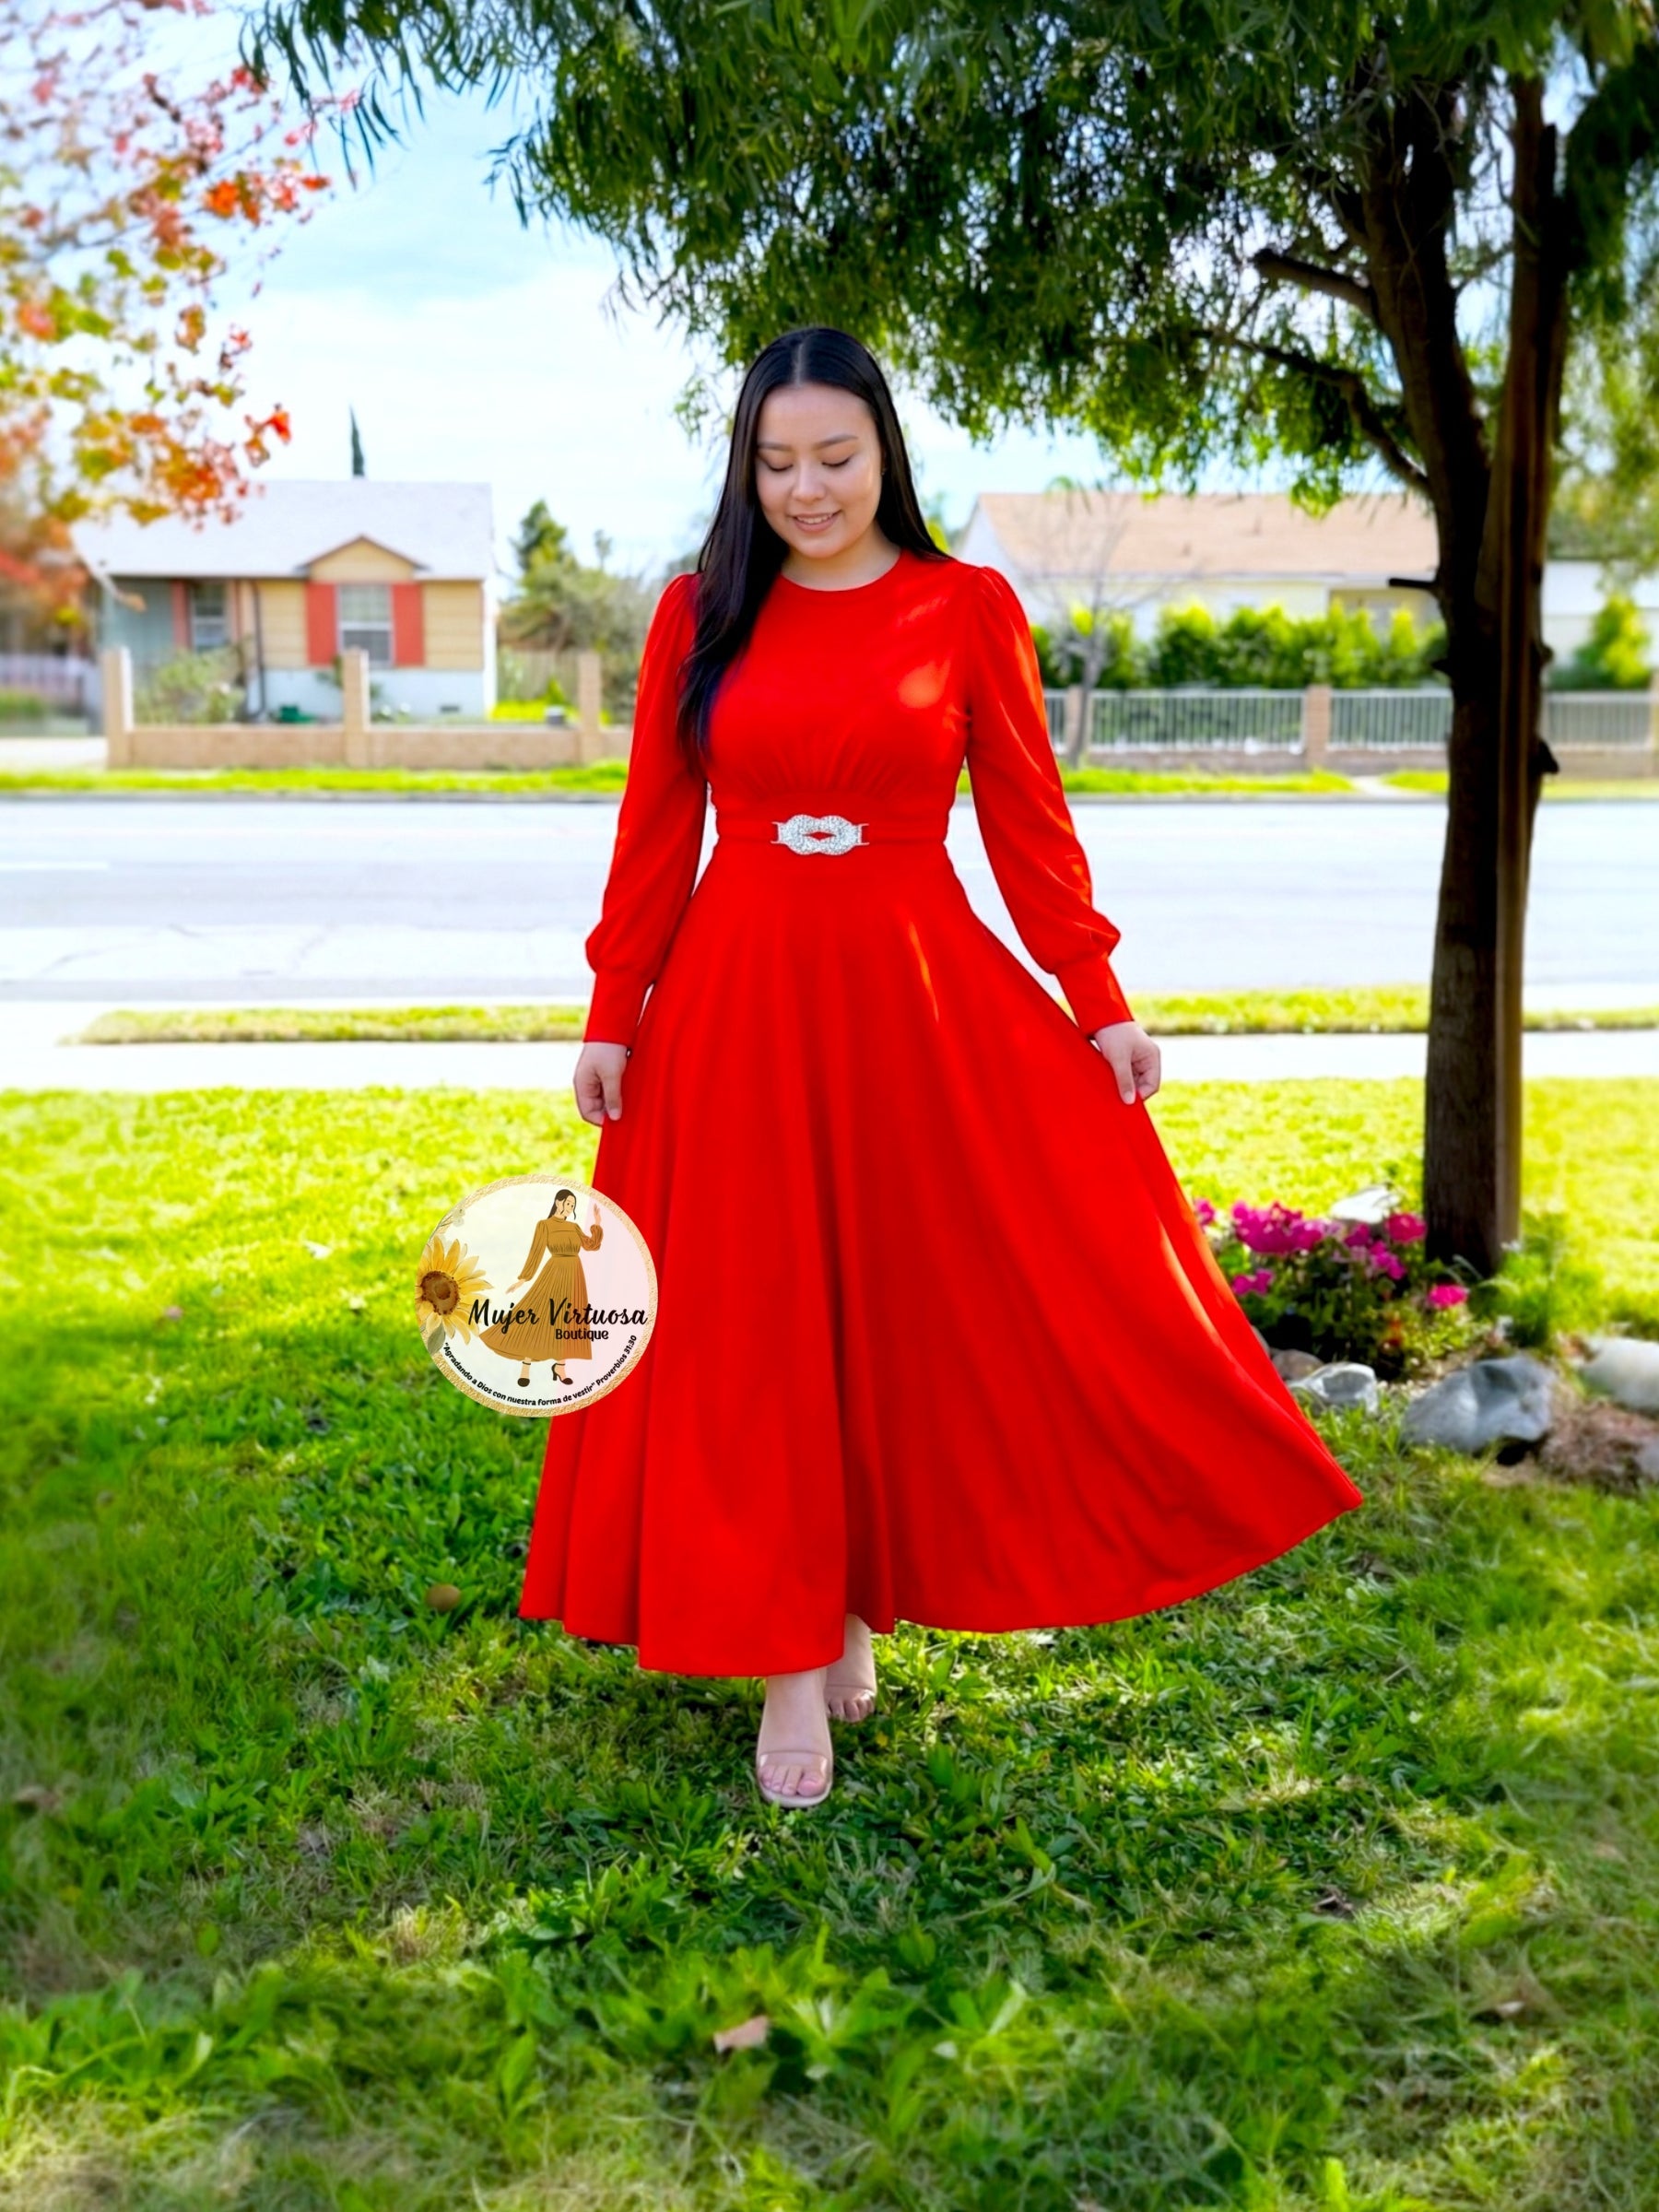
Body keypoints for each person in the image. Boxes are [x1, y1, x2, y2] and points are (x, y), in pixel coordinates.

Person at [520, 324, 1364, 1808]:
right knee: (759, 1326)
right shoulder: (696, 612)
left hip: (914, 1001)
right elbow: (655, 825)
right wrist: (613, 1009)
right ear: (746, 469)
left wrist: (1098, 1001)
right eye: (776, 462)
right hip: (736, 1004)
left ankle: (851, 1599)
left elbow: (1031, 824)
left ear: (885, 454)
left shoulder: (966, 606)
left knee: (896, 1311)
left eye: (835, 456)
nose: (807, 488)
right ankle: (793, 1663)